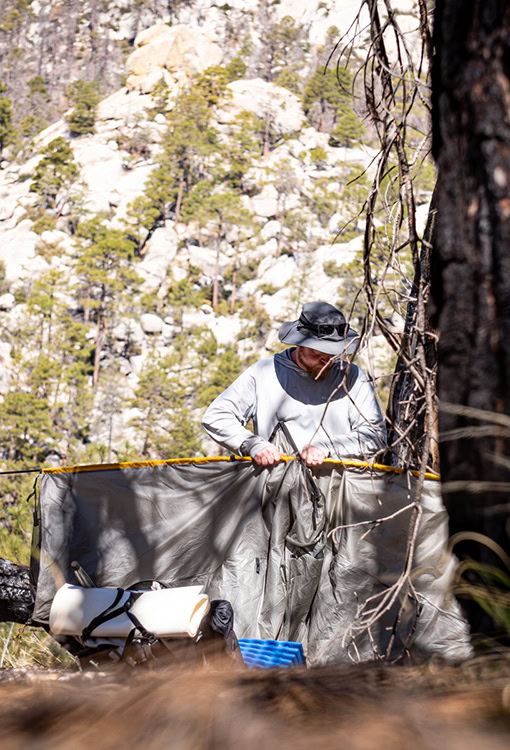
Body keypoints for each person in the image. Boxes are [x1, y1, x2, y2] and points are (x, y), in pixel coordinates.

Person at [202, 301, 386, 466]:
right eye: (319, 352)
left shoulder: (352, 376)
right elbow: (216, 416)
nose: (327, 359)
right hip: (276, 490)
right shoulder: (264, 372)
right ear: (300, 343)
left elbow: (375, 436)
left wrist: (327, 447)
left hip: (337, 493)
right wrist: (252, 444)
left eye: (334, 353)